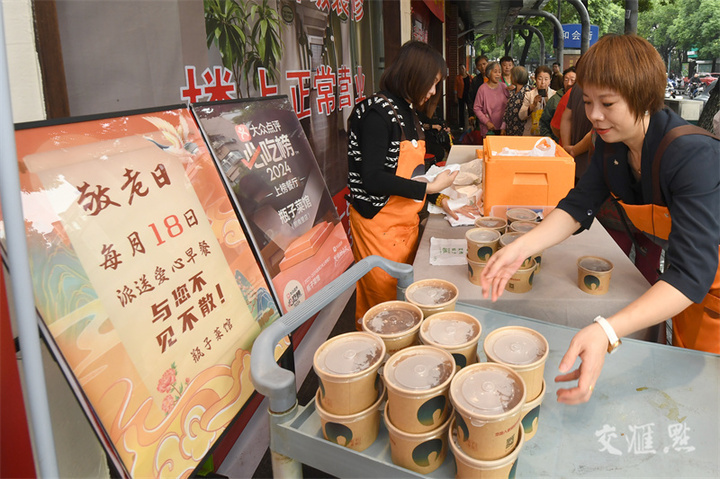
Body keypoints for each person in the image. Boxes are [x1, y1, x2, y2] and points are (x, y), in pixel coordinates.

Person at [480, 34, 720, 405]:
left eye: (607, 103)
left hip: (705, 281)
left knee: (705, 394)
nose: (593, 115)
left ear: (644, 97)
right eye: (588, 101)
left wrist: (607, 329)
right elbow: (578, 205)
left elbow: (692, 274)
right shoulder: (611, 145)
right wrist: (522, 246)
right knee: (681, 377)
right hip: (684, 287)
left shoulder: (691, 156)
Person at [346, 40, 458, 328]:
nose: (432, 91)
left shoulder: (408, 111)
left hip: (405, 225)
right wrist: (428, 189)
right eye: (432, 83)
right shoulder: (376, 113)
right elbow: (372, 178)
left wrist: (440, 199)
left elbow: (413, 174)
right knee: (383, 310)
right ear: (414, 75)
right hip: (378, 227)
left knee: (404, 304)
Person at [473, 62, 510, 139]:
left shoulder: (504, 86)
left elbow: (509, 105)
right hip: (488, 129)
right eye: (495, 72)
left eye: (499, 72)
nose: (498, 74)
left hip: (503, 128)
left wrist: (504, 126)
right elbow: (476, 108)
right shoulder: (482, 89)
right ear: (489, 73)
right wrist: (487, 122)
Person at [540, 66, 576, 142]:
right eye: (566, 80)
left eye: (572, 80)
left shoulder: (582, 99)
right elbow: (544, 122)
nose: (569, 83)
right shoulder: (555, 99)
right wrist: (549, 140)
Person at [519, 65, 554, 135]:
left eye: (546, 79)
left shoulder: (554, 95)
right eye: (540, 79)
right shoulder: (529, 95)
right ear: (535, 79)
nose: (543, 82)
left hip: (549, 132)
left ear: (550, 80)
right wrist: (533, 105)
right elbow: (521, 116)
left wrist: (548, 103)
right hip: (531, 132)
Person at [503, 65, 530, 136]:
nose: (510, 77)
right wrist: (503, 127)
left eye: (512, 75)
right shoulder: (512, 92)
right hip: (510, 129)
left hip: (522, 130)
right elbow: (507, 110)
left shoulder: (527, 92)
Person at [455, 64, 472, 129]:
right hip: (461, 96)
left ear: (465, 68)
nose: (461, 70)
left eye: (462, 68)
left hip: (469, 96)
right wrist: (455, 97)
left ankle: (471, 123)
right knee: (461, 111)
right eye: (460, 69)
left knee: (470, 110)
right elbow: (455, 88)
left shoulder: (470, 77)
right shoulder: (458, 78)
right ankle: (461, 125)